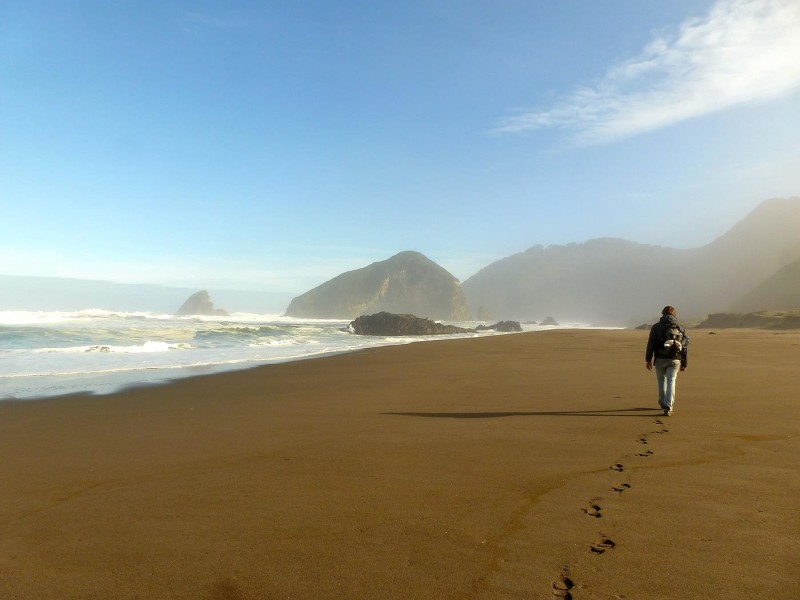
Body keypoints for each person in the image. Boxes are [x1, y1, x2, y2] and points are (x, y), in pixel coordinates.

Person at [645, 306, 688, 416]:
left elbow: (651, 344)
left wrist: (648, 360)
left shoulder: (656, 327)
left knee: (661, 381)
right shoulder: (680, 327)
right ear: (674, 315)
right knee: (671, 381)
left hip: (660, 358)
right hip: (675, 359)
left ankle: (662, 402)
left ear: (662, 314)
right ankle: (668, 407)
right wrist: (684, 363)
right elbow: (684, 346)